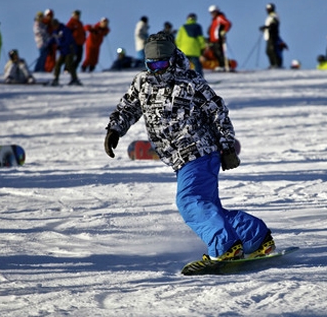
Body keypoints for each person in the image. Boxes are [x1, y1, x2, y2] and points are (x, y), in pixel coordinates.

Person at [104, 31, 275, 262]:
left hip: (199, 151)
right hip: (179, 159)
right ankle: (255, 236)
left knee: (189, 201)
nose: (158, 70)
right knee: (208, 207)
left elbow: (217, 111)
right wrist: (115, 129)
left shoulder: (189, 81)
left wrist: (227, 147)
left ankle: (224, 246)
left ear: (172, 58)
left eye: (162, 63)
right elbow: (128, 108)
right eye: (151, 65)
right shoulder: (142, 82)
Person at [50, 19, 82, 85]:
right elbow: (53, 39)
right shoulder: (55, 31)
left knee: (69, 64)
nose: (54, 27)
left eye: (55, 25)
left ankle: (74, 79)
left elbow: (69, 41)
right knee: (57, 64)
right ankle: (56, 79)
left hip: (69, 50)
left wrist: (60, 45)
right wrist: (49, 45)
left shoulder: (65, 30)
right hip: (63, 51)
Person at [208, 5, 232, 69]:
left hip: (218, 39)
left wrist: (224, 31)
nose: (212, 14)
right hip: (213, 39)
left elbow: (228, 23)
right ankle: (221, 65)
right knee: (215, 53)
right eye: (211, 12)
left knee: (219, 53)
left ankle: (223, 65)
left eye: (213, 12)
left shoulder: (220, 17)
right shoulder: (214, 19)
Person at [260, 3, 283, 69]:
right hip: (268, 35)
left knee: (272, 50)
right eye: (267, 9)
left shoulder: (274, 15)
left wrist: (267, 27)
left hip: (272, 35)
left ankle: (276, 64)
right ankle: (273, 64)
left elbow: (274, 24)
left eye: (269, 9)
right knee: (268, 51)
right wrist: (265, 28)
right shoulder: (269, 17)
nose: (268, 10)